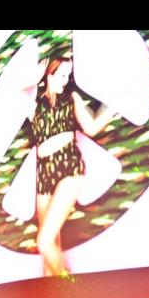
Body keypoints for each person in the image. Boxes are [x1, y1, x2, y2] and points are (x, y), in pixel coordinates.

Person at [27, 57, 117, 277]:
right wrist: (33, 79)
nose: (65, 80)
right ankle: (53, 293)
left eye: (68, 75)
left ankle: (68, 287)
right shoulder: (35, 103)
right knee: (51, 246)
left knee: (43, 242)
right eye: (61, 75)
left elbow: (91, 127)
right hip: (44, 175)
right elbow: (15, 97)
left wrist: (113, 107)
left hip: (69, 169)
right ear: (49, 75)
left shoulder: (71, 98)